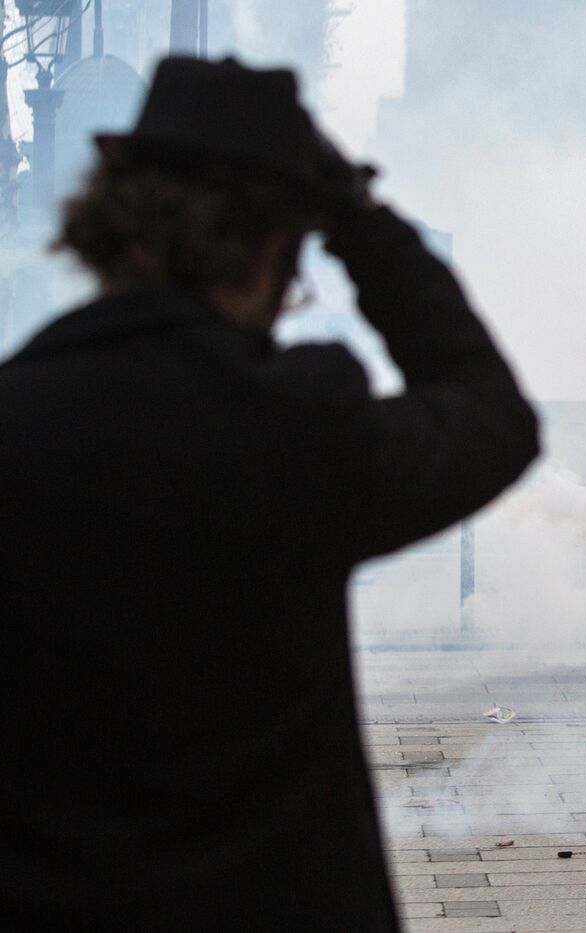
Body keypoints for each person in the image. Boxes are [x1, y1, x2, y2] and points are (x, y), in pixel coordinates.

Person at [0, 58, 538, 931]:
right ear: (277, 244)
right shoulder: (297, 422)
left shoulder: (18, 419)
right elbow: (492, 416)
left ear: (107, 223)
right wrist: (359, 220)